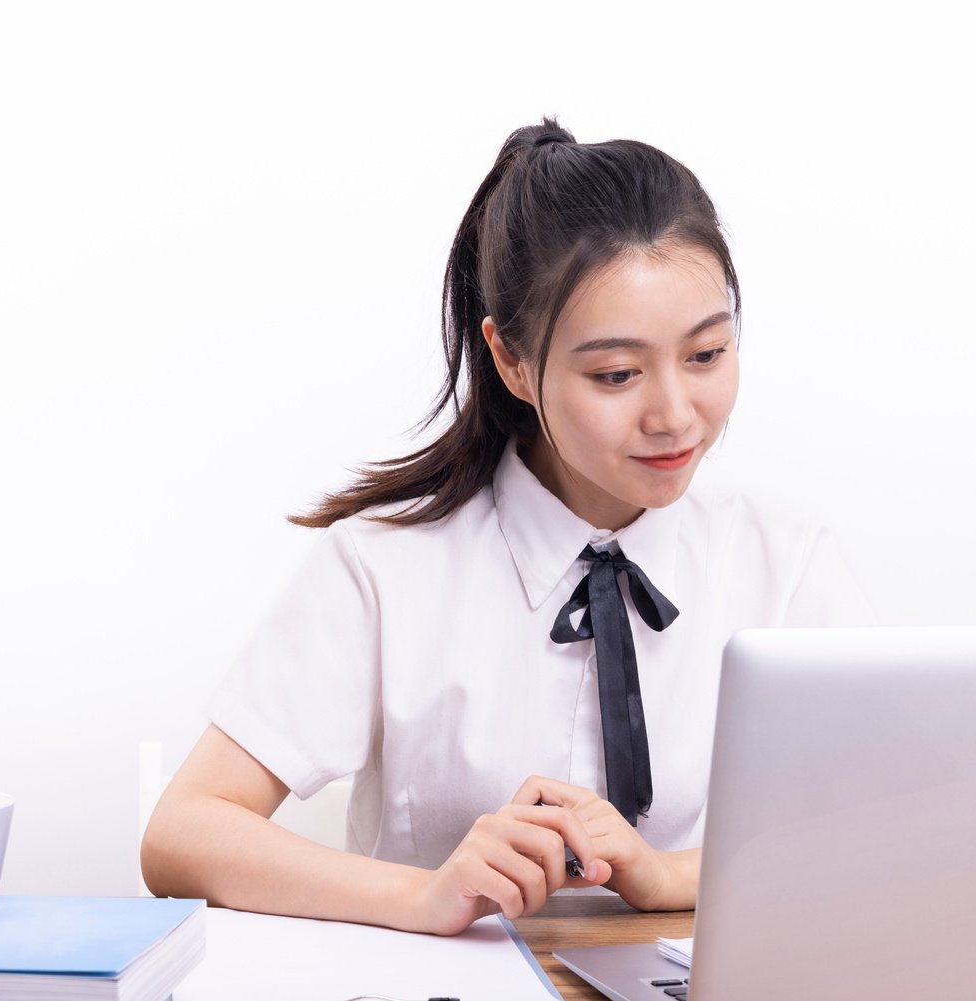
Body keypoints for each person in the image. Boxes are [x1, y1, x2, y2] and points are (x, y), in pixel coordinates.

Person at [140, 117, 873, 936]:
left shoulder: (790, 561)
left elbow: (866, 829)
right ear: (513, 360)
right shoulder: (385, 566)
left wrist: (664, 873)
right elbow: (183, 833)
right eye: (617, 373)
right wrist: (423, 895)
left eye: (706, 354)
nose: (674, 415)